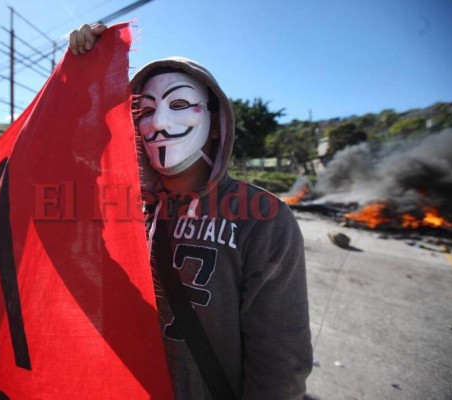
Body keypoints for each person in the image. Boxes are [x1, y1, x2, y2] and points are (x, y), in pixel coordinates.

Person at [67, 24, 313, 399]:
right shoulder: (124, 208)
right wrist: (85, 76)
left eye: (179, 105)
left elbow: (280, 359)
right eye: (145, 111)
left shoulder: (263, 217)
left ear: (216, 123)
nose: (159, 123)